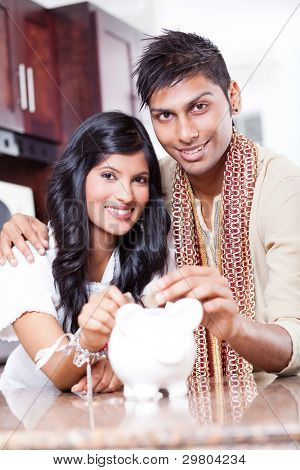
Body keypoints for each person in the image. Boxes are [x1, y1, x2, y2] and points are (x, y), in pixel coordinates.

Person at [1, 31, 300, 384]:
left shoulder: (281, 189)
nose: (185, 133)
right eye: (165, 116)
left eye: (199, 107)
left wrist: (232, 327)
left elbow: (293, 339)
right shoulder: (159, 180)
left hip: (265, 393)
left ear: (232, 97)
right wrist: (14, 223)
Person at [0, 111, 170, 393]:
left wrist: (123, 363)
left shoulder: (153, 255)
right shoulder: (28, 256)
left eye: (139, 179)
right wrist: (89, 341)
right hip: (29, 412)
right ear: (79, 177)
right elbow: (60, 373)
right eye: (108, 175)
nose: (126, 195)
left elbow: (163, 342)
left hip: (106, 414)